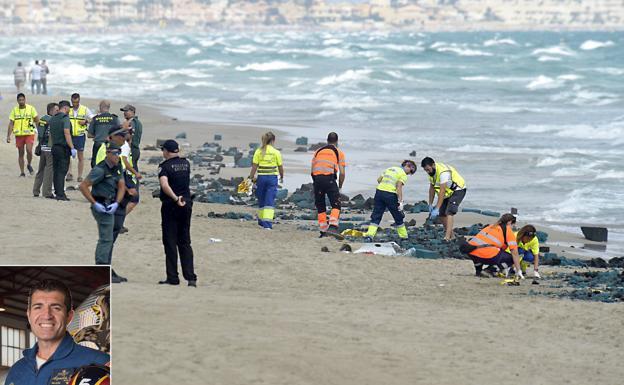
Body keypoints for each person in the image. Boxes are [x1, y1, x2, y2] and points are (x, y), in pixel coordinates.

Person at [4, 279, 109, 385]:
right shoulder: (16, 370)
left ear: (69, 316)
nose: (46, 315)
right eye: (38, 307)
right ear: (29, 315)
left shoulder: (101, 363)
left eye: (56, 308)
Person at [79, 144, 126, 276]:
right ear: (108, 154)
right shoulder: (100, 170)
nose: (117, 156)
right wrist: (94, 203)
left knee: (108, 238)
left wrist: (117, 202)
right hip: (101, 204)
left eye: (119, 153)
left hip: (111, 203)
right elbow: (83, 186)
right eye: (115, 153)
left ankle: (104, 267)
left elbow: (122, 185)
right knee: (106, 238)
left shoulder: (117, 166)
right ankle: (101, 266)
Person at [158, 139, 197, 287]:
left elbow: (164, 184)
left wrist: (175, 198)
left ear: (167, 151)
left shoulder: (164, 166)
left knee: (170, 242)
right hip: (186, 204)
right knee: (185, 242)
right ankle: (191, 277)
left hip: (171, 205)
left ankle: (173, 277)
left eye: (163, 150)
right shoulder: (186, 164)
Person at [365, 160, 417, 242]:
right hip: (390, 195)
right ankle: (404, 237)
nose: (409, 174)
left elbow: (379, 180)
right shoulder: (403, 174)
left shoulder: (390, 169)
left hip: (379, 192)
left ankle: (369, 236)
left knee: (376, 215)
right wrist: (400, 202)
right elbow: (398, 187)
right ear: (408, 165)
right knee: (398, 215)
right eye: (410, 171)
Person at [463, 213, 524, 279]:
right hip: (486, 253)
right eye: (513, 225)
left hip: (471, 251)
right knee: (511, 259)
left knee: (483, 253)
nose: (513, 227)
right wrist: (518, 270)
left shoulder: (490, 226)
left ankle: (479, 271)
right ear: (509, 222)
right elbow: (514, 253)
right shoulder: (508, 231)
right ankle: (490, 270)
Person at [421, 157, 467, 241]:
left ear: (433, 165)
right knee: (442, 214)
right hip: (448, 192)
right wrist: (430, 204)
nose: (427, 172)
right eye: (425, 170)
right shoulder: (431, 174)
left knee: (449, 211)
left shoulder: (443, 173)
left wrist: (437, 208)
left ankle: (447, 237)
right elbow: (432, 189)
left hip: (458, 190)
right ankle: (452, 236)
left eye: (428, 169)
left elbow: (441, 191)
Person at [311, 132, 346, 237]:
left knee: (320, 206)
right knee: (336, 204)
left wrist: (315, 182)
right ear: (337, 141)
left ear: (327, 141)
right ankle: (333, 227)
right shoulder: (339, 152)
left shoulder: (318, 151)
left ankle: (323, 231)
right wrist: (339, 186)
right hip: (329, 179)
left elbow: (312, 170)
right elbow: (342, 173)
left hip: (317, 179)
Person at [248, 132, 284, 229]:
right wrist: (282, 176)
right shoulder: (276, 152)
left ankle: (261, 220)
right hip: (272, 178)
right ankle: (267, 224)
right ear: (273, 140)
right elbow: (280, 166)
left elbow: (254, 166)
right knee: (269, 200)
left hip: (261, 178)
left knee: (261, 198)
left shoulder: (258, 151)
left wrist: (250, 178)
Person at [49, 100, 77, 201]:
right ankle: (61, 194)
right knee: (62, 171)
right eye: (69, 108)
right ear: (65, 108)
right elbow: (66, 133)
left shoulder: (53, 118)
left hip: (55, 147)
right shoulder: (65, 118)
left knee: (56, 171)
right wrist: (72, 147)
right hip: (63, 148)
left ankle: (57, 192)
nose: (69, 110)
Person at [6, 93, 40, 177]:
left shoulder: (31, 109)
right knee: (20, 153)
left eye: (22, 100)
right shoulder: (14, 110)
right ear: (17, 101)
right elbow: (11, 123)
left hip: (29, 133)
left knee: (29, 150)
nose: (21, 101)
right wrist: (8, 136)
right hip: (19, 135)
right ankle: (22, 172)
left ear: (25, 100)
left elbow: (37, 121)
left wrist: (40, 133)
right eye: (19, 100)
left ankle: (29, 164)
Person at [67, 93, 94, 182]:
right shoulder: (68, 109)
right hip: (69, 135)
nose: (75, 104)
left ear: (79, 100)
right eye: (73, 102)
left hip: (80, 136)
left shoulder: (84, 109)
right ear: (71, 101)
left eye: (77, 102)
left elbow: (93, 119)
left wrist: (86, 121)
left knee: (80, 156)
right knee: (68, 155)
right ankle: (69, 173)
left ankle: (80, 175)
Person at [33, 103, 58, 198]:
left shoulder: (42, 119)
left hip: (42, 147)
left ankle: (36, 190)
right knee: (49, 170)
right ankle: (47, 192)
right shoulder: (52, 120)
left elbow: (40, 134)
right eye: (56, 110)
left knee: (40, 170)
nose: (57, 112)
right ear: (51, 111)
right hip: (49, 148)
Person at [88, 100, 120, 168]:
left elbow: (89, 135)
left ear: (101, 107)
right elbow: (119, 132)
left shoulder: (95, 119)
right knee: (110, 163)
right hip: (111, 145)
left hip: (98, 144)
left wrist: (97, 135)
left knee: (95, 163)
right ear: (109, 107)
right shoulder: (114, 118)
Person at [120, 104, 142, 170]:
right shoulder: (137, 122)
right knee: (133, 167)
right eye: (124, 111)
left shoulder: (132, 122)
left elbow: (130, 136)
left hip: (132, 149)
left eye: (126, 111)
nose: (124, 113)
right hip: (135, 149)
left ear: (133, 111)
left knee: (130, 168)